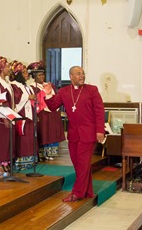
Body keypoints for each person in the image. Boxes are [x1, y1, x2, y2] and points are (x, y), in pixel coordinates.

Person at [44, 66, 105, 202]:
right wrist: (48, 94)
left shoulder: (92, 90)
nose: (82, 76)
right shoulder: (64, 91)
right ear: (71, 76)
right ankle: (87, 192)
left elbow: (99, 111)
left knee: (83, 164)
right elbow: (53, 106)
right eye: (78, 74)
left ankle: (76, 193)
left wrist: (100, 130)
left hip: (89, 134)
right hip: (73, 134)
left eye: (83, 73)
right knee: (78, 164)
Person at [28, 61, 65, 161]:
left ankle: (52, 152)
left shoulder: (49, 85)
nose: (42, 77)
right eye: (39, 75)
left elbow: (56, 95)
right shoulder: (32, 87)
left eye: (43, 74)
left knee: (53, 132)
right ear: (34, 76)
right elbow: (36, 100)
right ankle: (43, 153)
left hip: (53, 111)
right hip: (43, 113)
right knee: (45, 132)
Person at [9, 61, 36, 170]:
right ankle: (21, 161)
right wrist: (28, 97)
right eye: (24, 72)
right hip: (21, 114)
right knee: (22, 137)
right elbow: (17, 99)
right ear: (18, 74)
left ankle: (29, 160)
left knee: (29, 137)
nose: (27, 74)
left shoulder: (26, 86)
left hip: (29, 114)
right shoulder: (14, 85)